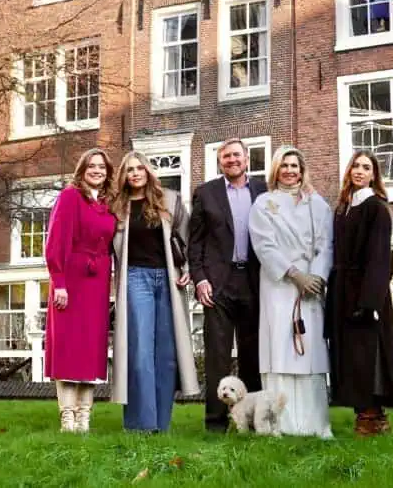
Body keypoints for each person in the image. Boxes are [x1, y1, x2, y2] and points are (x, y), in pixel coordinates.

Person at [110, 152, 201, 432]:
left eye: (140, 168)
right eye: (129, 170)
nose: (135, 173)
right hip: (135, 278)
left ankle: (162, 423)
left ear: (148, 171)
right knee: (140, 351)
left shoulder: (170, 200)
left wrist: (188, 269)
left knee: (166, 353)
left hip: (168, 280)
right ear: (123, 176)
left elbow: (188, 239)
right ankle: (140, 423)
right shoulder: (116, 207)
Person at [247, 146, 334, 438]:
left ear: (302, 169)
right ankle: (279, 424)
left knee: (310, 353)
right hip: (279, 285)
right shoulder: (263, 203)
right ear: (275, 169)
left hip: (311, 289)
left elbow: (326, 245)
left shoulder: (318, 204)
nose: (290, 170)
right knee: (281, 349)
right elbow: (264, 245)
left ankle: (315, 424)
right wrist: (295, 275)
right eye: (284, 165)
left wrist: (316, 278)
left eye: (295, 165)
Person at [187, 137, 266, 432]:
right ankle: (215, 424)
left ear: (246, 159)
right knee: (217, 357)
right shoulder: (206, 193)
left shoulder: (263, 191)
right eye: (225, 157)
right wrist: (200, 279)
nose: (231, 160)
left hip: (254, 282)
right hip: (217, 284)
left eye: (236, 155)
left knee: (252, 356)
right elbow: (195, 243)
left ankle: (252, 422)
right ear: (220, 162)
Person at [326, 150, 393, 437]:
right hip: (343, 291)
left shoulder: (376, 207)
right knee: (350, 357)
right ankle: (363, 415)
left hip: (367, 294)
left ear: (373, 175)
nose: (359, 171)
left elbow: (380, 257)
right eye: (355, 166)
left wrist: (370, 301)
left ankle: (374, 417)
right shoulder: (343, 207)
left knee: (368, 356)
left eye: (366, 167)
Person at [44, 147, 117, 433]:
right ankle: (67, 416)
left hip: (98, 283)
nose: (97, 170)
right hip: (71, 279)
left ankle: (85, 417)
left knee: (90, 350)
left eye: (102, 166)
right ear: (82, 170)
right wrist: (59, 282)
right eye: (92, 166)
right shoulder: (70, 196)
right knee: (68, 349)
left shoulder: (109, 203)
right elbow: (56, 242)